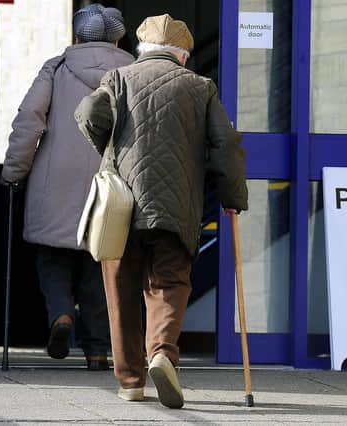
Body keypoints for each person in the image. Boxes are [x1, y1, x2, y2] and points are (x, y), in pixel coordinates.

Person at [75, 14, 248, 408]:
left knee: (120, 289)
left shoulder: (118, 79)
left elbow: (87, 114)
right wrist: (233, 198)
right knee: (169, 282)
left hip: (121, 202)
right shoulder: (200, 87)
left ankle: (131, 381)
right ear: (183, 55)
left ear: (141, 51)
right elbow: (226, 145)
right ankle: (163, 354)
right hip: (176, 205)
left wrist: (111, 152)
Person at [1, 4, 134, 369]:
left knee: (53, 257)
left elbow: (30, 121)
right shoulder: (131, 71)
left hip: (54, 180)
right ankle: (96, 350)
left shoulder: (56, 68)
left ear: (76, 36)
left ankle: (61, 315)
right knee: (100, 263)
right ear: (118, 37)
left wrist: (14, 172)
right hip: (111, 180)